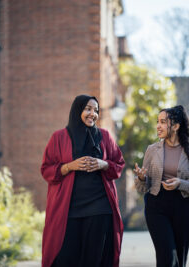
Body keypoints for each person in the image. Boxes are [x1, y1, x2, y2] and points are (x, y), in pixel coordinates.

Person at [41, 95, 125, 267]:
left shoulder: (105, 136)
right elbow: (46, 170)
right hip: (68, 209)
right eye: (88, 109)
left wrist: (104, 164)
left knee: (94, 260)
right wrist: (69, 166)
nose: (92, 114)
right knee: (65, 259)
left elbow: (119, 165)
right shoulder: (58, 138)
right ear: (77, 110)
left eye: (96, 110)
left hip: (100, 208)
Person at [133, 105, 189, 267]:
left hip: (183, 209)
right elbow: (143, 187)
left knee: (179, 262)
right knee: (166, 258)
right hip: (156, 207)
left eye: (163, 122)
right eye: (157, 122)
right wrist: (141, 178)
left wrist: (181, 184)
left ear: (175, 126)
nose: (158, 126)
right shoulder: (152, 150)